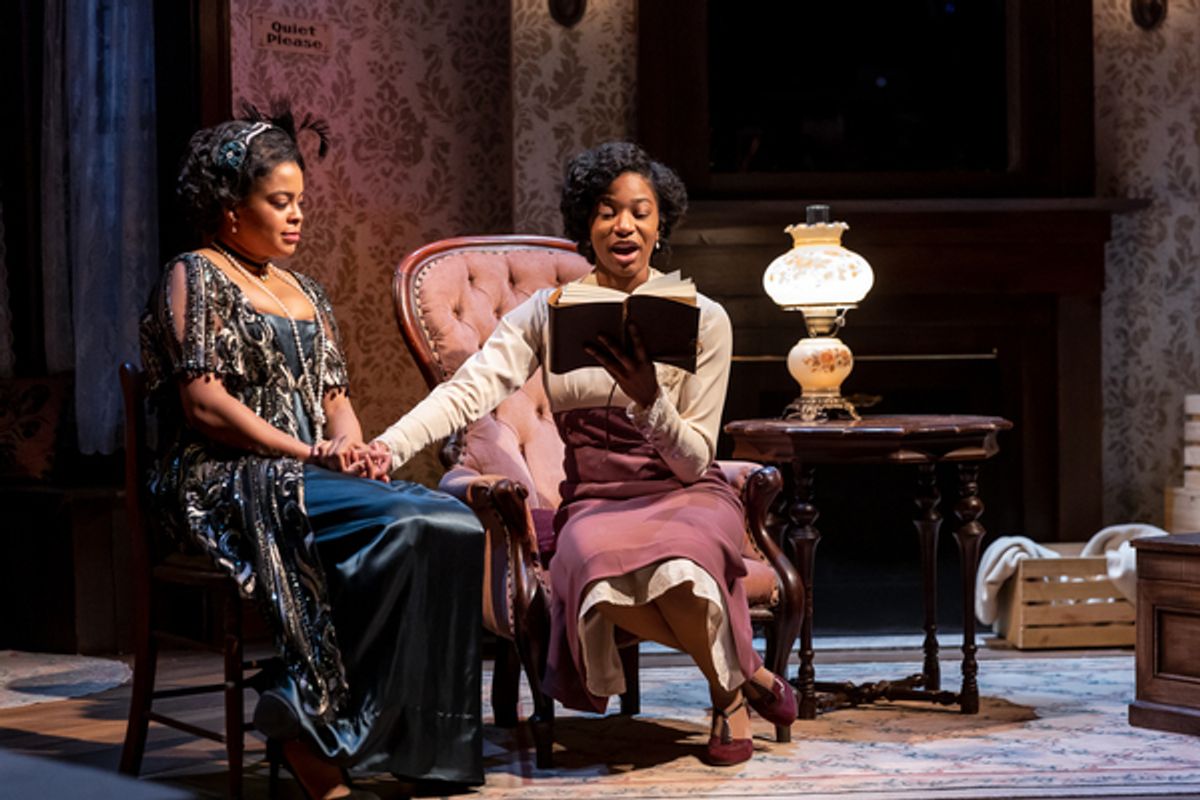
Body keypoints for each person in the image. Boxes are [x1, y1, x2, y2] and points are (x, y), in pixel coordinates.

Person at [373, 141, 796, 766]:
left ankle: (727, 698)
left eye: (639, 211)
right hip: (596, 499)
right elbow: (466, 392)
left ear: (659, 225)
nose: (623, 224)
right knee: (595, 560)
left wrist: (650, 401)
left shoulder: (705, 318)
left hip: (685, 490)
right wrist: (387, 445)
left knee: (689, 556)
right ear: (585, 224)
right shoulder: (543, 314)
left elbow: (693, 459)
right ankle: (747, 676)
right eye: (606, 210)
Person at [139, 104, 485, 798]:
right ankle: (307, 720)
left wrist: (351, 450)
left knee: (451, 522)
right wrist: (309, 452)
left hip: (306, 471)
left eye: (300, 201)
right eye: (279, 202)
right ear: (230, 208)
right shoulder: (196, 275)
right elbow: (204, 403)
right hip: (222, 479)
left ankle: (414, 746)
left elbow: (336, 402)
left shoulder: (308, 292)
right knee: (400, 524)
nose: (297, 216)